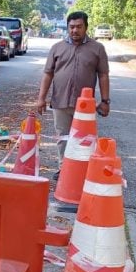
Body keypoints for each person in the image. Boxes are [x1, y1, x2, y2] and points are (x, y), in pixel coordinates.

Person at [36, 11, 111, 166]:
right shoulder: (57, 47)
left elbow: (103, 75)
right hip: (60, 101)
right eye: (71, 27)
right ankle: (63, 168)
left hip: (85, 106)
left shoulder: (97, 48)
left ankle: (80, 169)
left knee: (82, 138)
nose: (74, 30)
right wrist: (41, 98)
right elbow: (48, 74)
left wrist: (105, 101)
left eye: (79, 27)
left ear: (86, 27)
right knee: (63, 137)